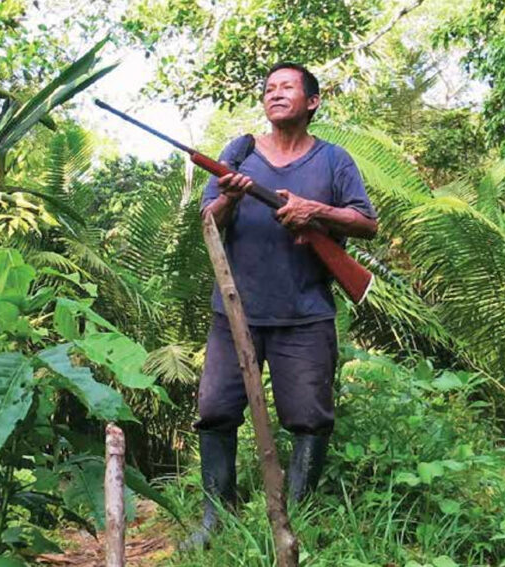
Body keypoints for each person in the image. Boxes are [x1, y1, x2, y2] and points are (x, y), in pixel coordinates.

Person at [183, 62, 378, 549]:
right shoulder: (239, 153)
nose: (275, 94)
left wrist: (315, 212)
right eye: (268, 88)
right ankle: (215, 518)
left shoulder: (334, 161)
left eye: (287, 87)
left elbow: (365, 222)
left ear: (312, 102)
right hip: (235, 313)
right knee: (214, 410)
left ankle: (299, 521)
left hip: (306, 315)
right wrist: (228, 197)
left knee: (309, 417)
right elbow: (208, 219)